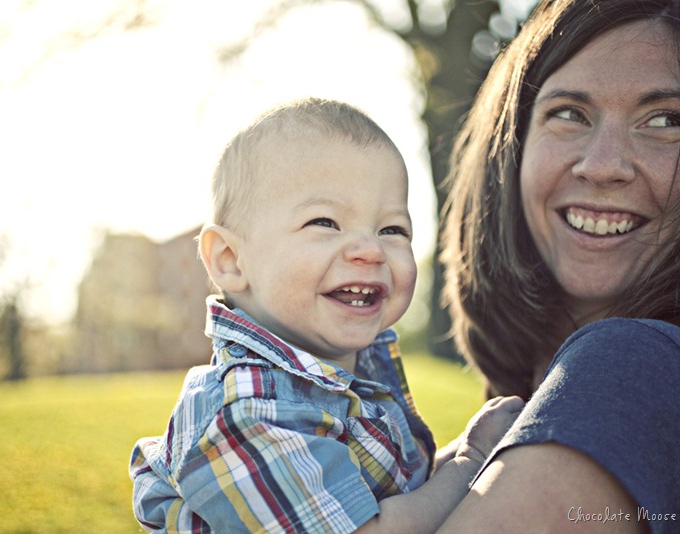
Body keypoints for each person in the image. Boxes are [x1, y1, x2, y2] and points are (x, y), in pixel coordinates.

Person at [128, 97, 523, 533]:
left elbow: (400, 495)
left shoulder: (334, 379)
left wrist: (468, 452)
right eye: (325, 223)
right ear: (230, 260)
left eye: (392, 229)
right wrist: (471, 459)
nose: (370, 249)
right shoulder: (252, 410)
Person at [437, 0, 680, 531]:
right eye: (569, 113)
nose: (602, 166)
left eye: (666, 121)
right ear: (511, 151)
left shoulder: (635, 365)